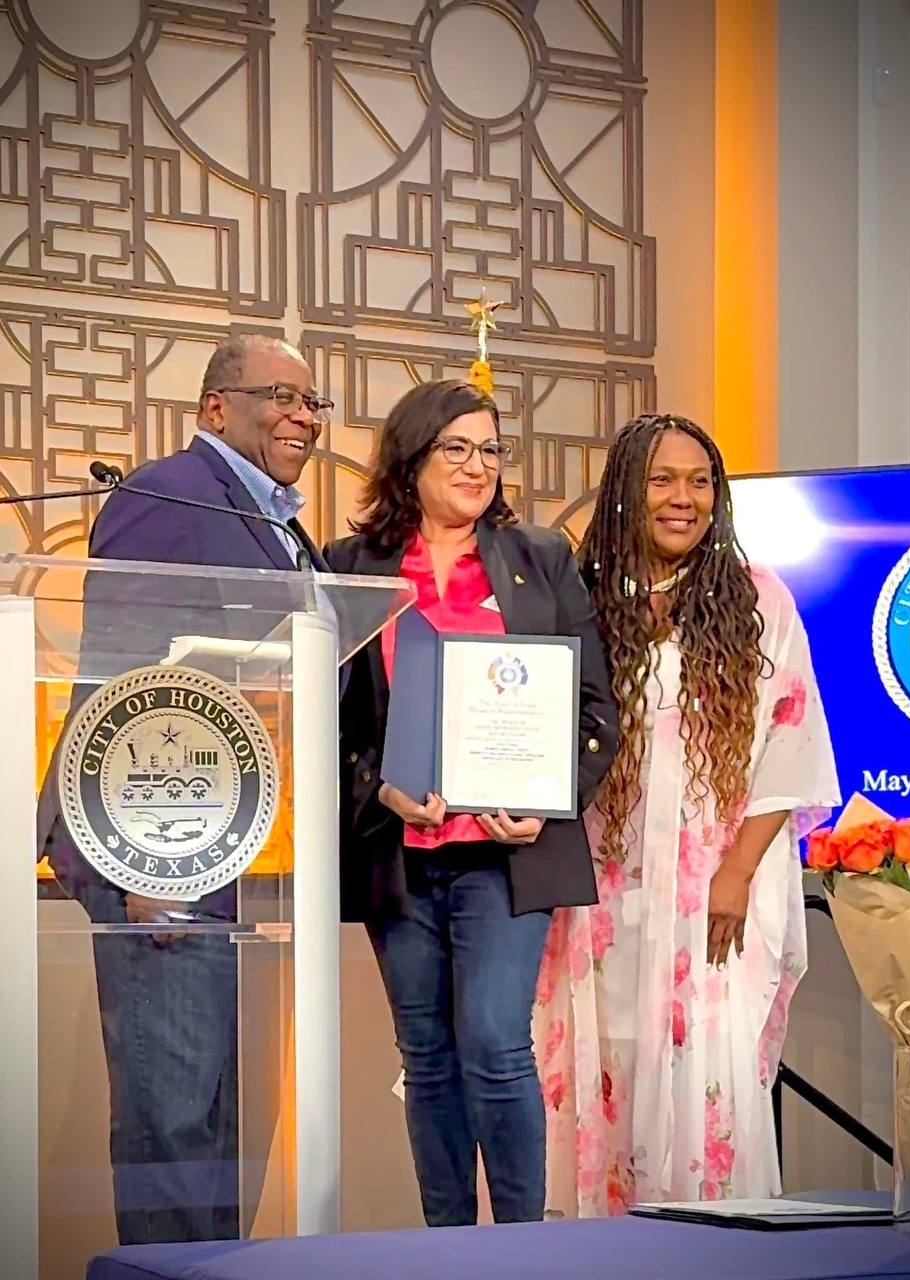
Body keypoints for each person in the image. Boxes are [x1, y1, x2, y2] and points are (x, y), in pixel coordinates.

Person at [39, 334, 332, 1244]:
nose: (303, 417)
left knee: (226, 1130)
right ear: (215, 408)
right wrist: (143, 855)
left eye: (312, 402)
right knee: (173, 1124)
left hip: (256, 857)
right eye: (281, 396)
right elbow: (124, 678)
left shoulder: (277, 521)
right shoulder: (165, 499)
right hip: (171, 850)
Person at [324, 378, 619, 1228]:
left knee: (495, 1044)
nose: (477, 465)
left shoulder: (539, 558)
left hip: (507, 852)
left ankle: (522, 1248)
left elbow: (594, 709)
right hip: (399, 855)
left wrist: (548, 801)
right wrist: (375, 786)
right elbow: (323, 721)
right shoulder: (350, 568)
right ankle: (445, 1246)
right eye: (456, 448)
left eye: (490, 450)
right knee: (426, 1057)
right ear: (410, 459)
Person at [535, 414, 839, 1215]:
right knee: (609, 1055)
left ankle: (705, 1249)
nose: (683, 498)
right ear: (625, 491)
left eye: (699, 480)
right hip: (598, 881)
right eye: (661, 480)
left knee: (702, 1062)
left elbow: (790, 741)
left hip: (714, 881)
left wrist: (735, 873)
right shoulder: (583, 594)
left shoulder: (755, 596)